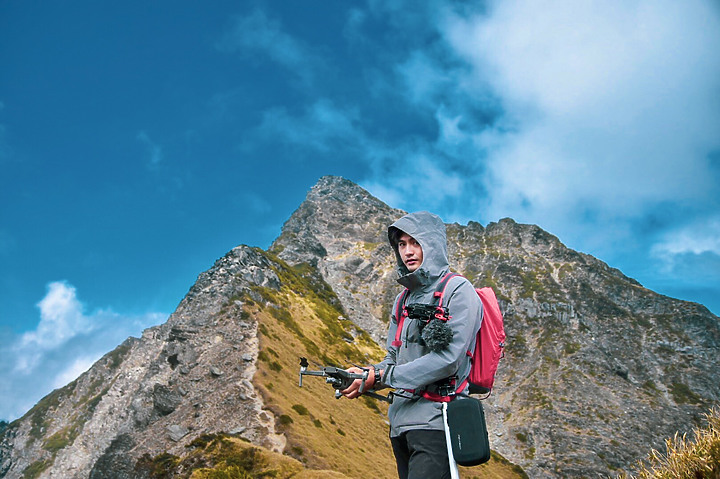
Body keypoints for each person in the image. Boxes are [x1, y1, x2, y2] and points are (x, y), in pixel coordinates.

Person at [342, 211, 483, 479]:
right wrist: (365, 375)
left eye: (415, 243)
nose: (408, 251)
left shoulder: (458, 290)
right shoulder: (402, 300)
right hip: (400, 425)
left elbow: (449, 359)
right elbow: (393, 359)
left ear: (432, 244)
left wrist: (385, 376)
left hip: (435, 422)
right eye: (402, 244)